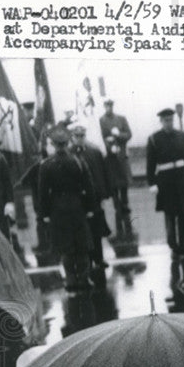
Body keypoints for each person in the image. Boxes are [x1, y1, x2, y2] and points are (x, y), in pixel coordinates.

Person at [37, 125, 98, 291]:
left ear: (53, 144)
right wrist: (91, 208)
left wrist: (43, 214)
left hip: (57, 208)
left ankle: (71, 280)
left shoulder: (46, 165)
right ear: (67, 143)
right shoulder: (78, 161)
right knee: (82, 245)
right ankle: (84, 279)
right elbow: (89, 186)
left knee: (66, 247)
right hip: (77, 206)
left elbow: (42, 193)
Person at [146, 107, 184, 285]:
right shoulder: (154, 139)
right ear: (161, 121)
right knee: (170, 216)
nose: (169, 123)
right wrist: (152, 183)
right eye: (166, 120)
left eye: (171, 120)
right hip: (165, 181)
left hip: (182, 178)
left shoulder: (182, 136)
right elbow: (150, 163)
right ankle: (173, 247)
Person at [69, 124, 112, 284]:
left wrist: (104, 192)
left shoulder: (94, 152)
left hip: (95, 198)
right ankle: (86, 260)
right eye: (77, 136)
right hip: (79, 200)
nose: (80, 139)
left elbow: (103, 173)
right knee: (82, 231)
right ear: (72, 137)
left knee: (97, 230)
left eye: (82, 136)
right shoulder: (69, 154)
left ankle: (99, 259)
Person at [98, 99, 136, 246]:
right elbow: (101, 137)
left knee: (124, 182)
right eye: (106, 105)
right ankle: (117, 205)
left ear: (113, 106)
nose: (109, 107)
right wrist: (109, 146)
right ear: (104, 107)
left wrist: (118, 135)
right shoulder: (101, 120)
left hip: (121, 156)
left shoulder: (121, 119)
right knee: (113, 184)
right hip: (110, 158)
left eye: (110, 105)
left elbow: (129, 134)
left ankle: (125, 204)